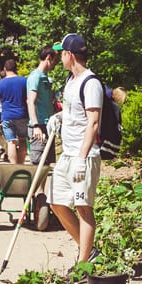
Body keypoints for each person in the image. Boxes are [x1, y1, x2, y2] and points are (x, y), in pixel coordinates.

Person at [47, 33, 103, 267]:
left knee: (83, 208)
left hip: (84, 157)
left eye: (61, 53)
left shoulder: (91, 83)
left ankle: (82, 265)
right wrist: (58, 117)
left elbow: (93, 122)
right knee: (55, 202)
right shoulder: (70, 82)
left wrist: (82, 159)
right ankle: (88, 250)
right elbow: (73, 111)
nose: (59, 57)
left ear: (69, 55)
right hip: (66, 155)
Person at [0, 59, 28, 164]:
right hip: (22, 114)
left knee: (10, 142)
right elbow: (28, 99)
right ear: (16, 68)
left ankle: (14, 166)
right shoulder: (24, 81)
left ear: (4, 69)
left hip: (7, 116)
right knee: (22, 140)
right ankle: (21, 165)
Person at [27, 46, 59, 165]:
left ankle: (42, 185)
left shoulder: (45, 77)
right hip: (39, 126)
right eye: (55, 60)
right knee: (37, 163)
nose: (56, 64)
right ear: (48, 57)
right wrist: (36, 126)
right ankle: (34, 185)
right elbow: (30, 102)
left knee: (45, 164)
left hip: (48, 125)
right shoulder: (35, 77)